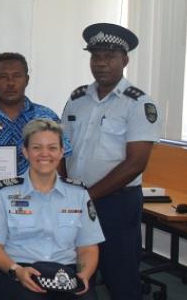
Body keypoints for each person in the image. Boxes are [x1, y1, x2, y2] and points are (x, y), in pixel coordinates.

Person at [0, 52, 71, 300]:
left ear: (27, 79)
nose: (10, 82)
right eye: (3, 77)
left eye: (16, 76)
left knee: (37, 278)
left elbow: (60, 164)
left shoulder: (46, 118)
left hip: (38, 211)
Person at [61, 23, 159, 300]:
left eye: (109, 56)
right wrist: (65, 189)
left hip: (117, 204)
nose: (101, 63)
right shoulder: (77, 99)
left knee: (121, 276)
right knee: (78, 274)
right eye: (96, 56)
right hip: (76, 199)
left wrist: (89, 195)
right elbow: (62, 147)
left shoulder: (138, 103)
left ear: (124, 60)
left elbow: (136, 163)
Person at [0, 119, 103, 299]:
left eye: (52, 148)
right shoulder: (5, 192)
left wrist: (84, 274)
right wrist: (15, 270)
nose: (45, 154)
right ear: (25, 152)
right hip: (17, 273)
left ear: (61, 152)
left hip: (64, 275)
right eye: (37, 148)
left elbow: (88, 247)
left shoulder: (79, 194)